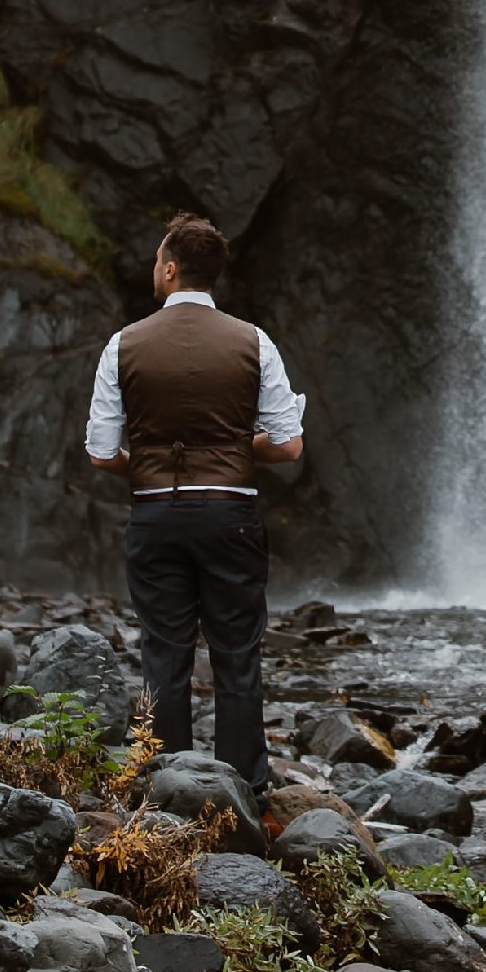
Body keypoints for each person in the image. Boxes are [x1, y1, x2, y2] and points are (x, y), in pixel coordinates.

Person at [84, 210, 304, 790]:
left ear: (172, 268)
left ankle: (164, 783)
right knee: (236, 652)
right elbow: (288, 445)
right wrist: (232, 449)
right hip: (230, 513)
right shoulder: (253, 341)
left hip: (156, 514)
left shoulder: (122, 345)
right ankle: (245, 788)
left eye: (158, 260)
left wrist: (150, 468)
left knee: (164, 652)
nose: (154, 268)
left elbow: (103, 454)